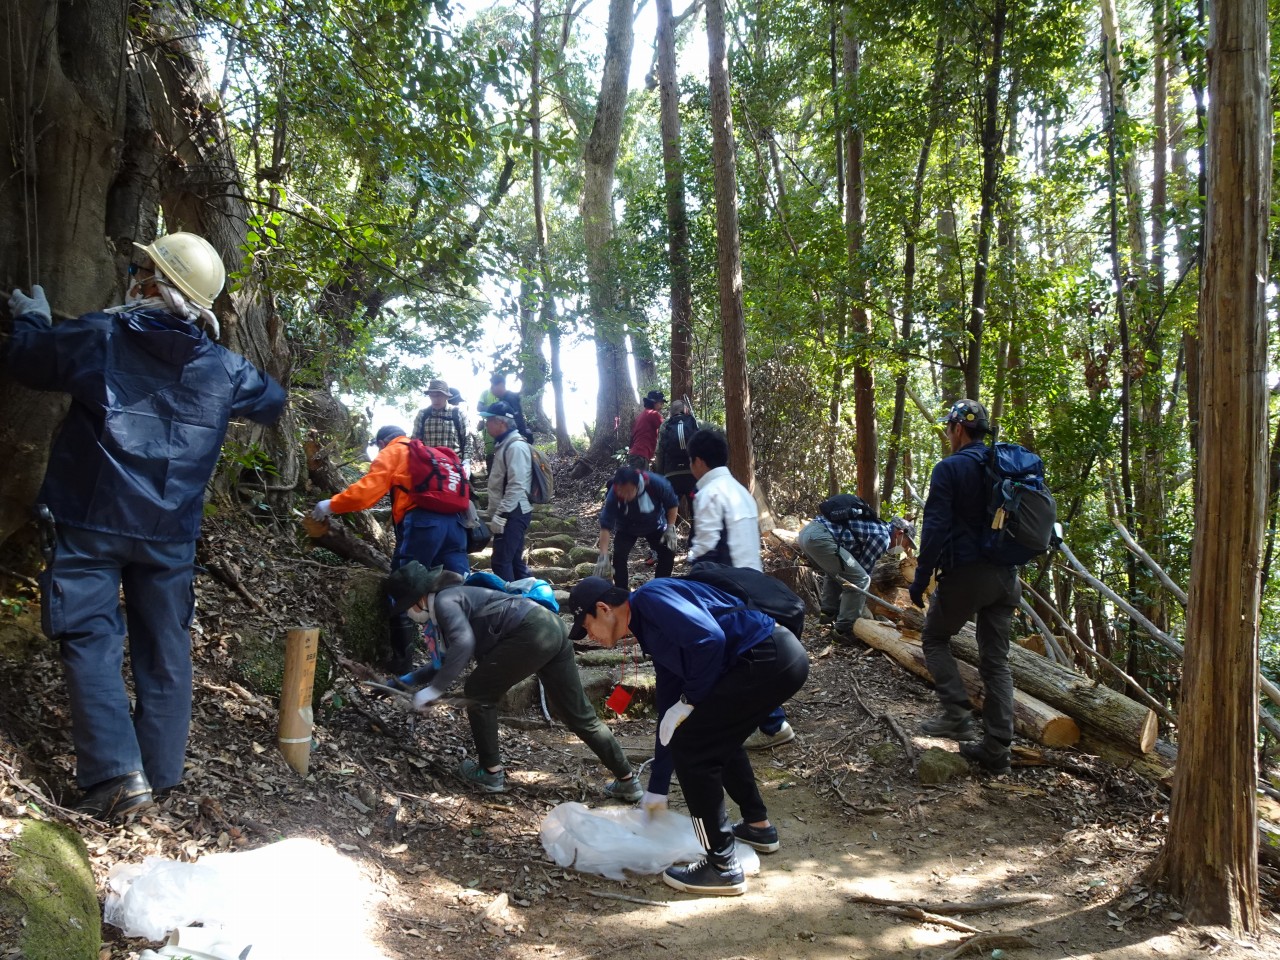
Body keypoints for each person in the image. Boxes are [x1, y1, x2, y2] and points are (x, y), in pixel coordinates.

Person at [5, 233, 286, 820]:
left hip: (91, 519)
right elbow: (273, 399)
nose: (132, 275)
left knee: (90, 637)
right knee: (166, 647)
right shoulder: (224, 368)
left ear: (154, 285)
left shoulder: (99, 337)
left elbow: (27, 358)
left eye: (141, 268)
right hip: (170, 533)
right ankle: (158, 773)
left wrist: (31, 320)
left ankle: (114, 777)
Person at [568, 576, 809, 896]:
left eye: (587, 628)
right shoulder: (646, 627)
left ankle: (722, 866)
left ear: (603, 609)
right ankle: (757, 826)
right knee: (715, 738)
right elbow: (670, 700)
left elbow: (710, 639)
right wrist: (656, 792)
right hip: (772, 658)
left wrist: (691, 700)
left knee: (695, 750)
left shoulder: (650, 600)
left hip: (765, 656)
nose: (590, 638)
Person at [385, 562, 643, 799]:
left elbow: (463, 644)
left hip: (531, 632)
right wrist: (401, 683)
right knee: (579, 714)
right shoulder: (453, 600)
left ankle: (490, 772)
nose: (409, 614)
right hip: (552, 628)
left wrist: (435, 689)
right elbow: (443, 661)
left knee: (478, 691)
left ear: (418, 598)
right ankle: (627, 780)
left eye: (407, 606)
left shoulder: (444, 601)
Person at [908, 399, 1018, 774]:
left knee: (935, 637)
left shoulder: (950, 468)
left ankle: (956, 713)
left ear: (957, 429)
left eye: (949, 428)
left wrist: (921, 577)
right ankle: (997, 749)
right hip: (1007, 574)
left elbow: (936, 527)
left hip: (969, 573)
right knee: (996, 660)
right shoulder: (1004, 465)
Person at [313, 425, 470, 673]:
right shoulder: (431, 455)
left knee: (402, 585)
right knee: (458, 587)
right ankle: (462, 656)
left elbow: (367, 492)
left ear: (383, 441)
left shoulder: (394, 451)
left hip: (424, 524)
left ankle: (402, 663)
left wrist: (330, 505)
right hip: (457, 526)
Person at [797, 498, 903, 639]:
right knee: (861, 580)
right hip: (819, 537)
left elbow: (848, 570)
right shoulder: (883, 537)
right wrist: (862, 605)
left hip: (807, 534)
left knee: (836, 572)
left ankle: (828, 614)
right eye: (907, 543)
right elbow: (862, 574)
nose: (905, 548)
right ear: (900, 533)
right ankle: (844, 630)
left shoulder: (876, 527)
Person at [685, 428, 761, 570]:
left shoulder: (709, 493)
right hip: (754, 579)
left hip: (730, 584)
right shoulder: (742, 492)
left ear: (698, 461)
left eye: (691, 461)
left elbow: (705, 552)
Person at [592, 466, 680, 587]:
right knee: (619, 556)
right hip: (626, 527)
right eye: (620, 491)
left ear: (638, 485)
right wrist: (603, 555)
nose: (624, 496)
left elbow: (672, 504)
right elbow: (606, 525)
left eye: (628, 492)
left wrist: (670, 528)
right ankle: (621, 593)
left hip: (655, 524)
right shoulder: (614, 493)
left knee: (668, 552)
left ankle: (660, 588)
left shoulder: (656, 483)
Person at [483, 401, 533, 582]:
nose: (486, 424)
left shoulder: (515, 447)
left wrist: (501, 515)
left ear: (501, 422)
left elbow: (517, 484)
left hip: (514, 512)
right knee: (513, 562)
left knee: (500, 562)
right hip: (512, 512)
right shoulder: (505, 444)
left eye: (489, 420)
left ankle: (510, 604)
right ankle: (528, 602)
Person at [653, 399, 699, 532]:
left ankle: (666, 544)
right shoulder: (693, 421)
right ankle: (695, 546)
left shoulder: (665, 425)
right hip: (692, 476)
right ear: (685, 410)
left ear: (671, 413)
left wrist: (661, 475)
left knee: (668, 511)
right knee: (696, 513)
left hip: (672, 476)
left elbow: (659, 452)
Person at [478, 373, 530, 470]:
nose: (491, 389)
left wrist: (522, 436)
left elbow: (518, 419)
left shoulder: (510, 398)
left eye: (493, 386)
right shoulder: (501, 400)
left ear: (501, 385)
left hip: (515, 440)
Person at [411, 378, 468, 460]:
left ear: (446, 396)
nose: (435, 399)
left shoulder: (458, 413)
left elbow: (467, 439)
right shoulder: (423, 414)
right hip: (430, 465)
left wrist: (467, 460)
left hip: (453, 465)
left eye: (438, 395)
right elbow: (415, 441)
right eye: (432, 395)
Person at [627, 389, 666, 469]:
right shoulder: (653, 414)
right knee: (641, 481)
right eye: (661, 403)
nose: (662, 406)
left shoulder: (643, 415)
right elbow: (667, 427)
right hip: (640, 456)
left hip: (637, 455)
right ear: (654, 403)